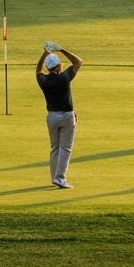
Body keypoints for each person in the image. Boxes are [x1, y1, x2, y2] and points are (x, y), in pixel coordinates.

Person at [35, 46, 83, 189]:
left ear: (47, 68)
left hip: (52, 117)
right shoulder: (64, 77)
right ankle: (59, 177)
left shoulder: (43, 80)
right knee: (65, 148)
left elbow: (37, 71)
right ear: (59, 65)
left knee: (55, 147)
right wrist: (61, 50)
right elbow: (78, 62)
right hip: (67, 116)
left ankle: (54, 177)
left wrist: (44, 53)